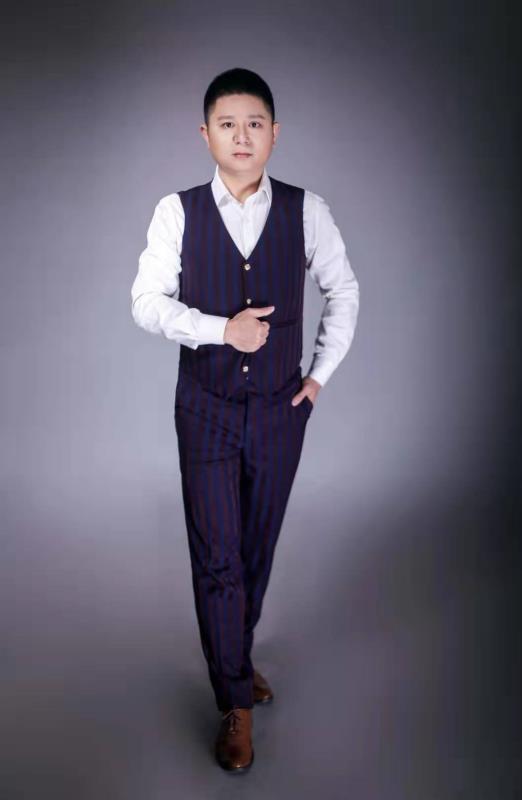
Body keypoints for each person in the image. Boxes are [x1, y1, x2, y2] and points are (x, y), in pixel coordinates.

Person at [130, 67, 360, 773]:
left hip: (280, 411)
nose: (241, 136)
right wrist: (218, 330)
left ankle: (235, 654)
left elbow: (343, 290)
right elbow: (145, 302)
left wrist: (317, 378)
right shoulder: (176, 212)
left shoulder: (306, 209)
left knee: (256, 549)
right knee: (217, 556)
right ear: (205, 134)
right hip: (204, 409)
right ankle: (235, 701)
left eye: (254, 124)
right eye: (227, 124)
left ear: (274, 134)